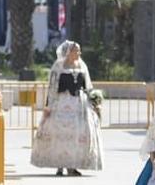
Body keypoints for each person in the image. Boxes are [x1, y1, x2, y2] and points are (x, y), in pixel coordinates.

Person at [30, 40, 102, 176]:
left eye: (79, 51)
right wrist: (48, 106)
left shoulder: (82, 66)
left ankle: (73, 165)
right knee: (59, 135)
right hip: (61, 104)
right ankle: (60, 165)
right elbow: (52, 88)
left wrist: (94, 102)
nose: (79, 53)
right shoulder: (58, 66)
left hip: (79, 106)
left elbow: (88, 86)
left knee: (77, 135)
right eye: (76, 51)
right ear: (69, 52)